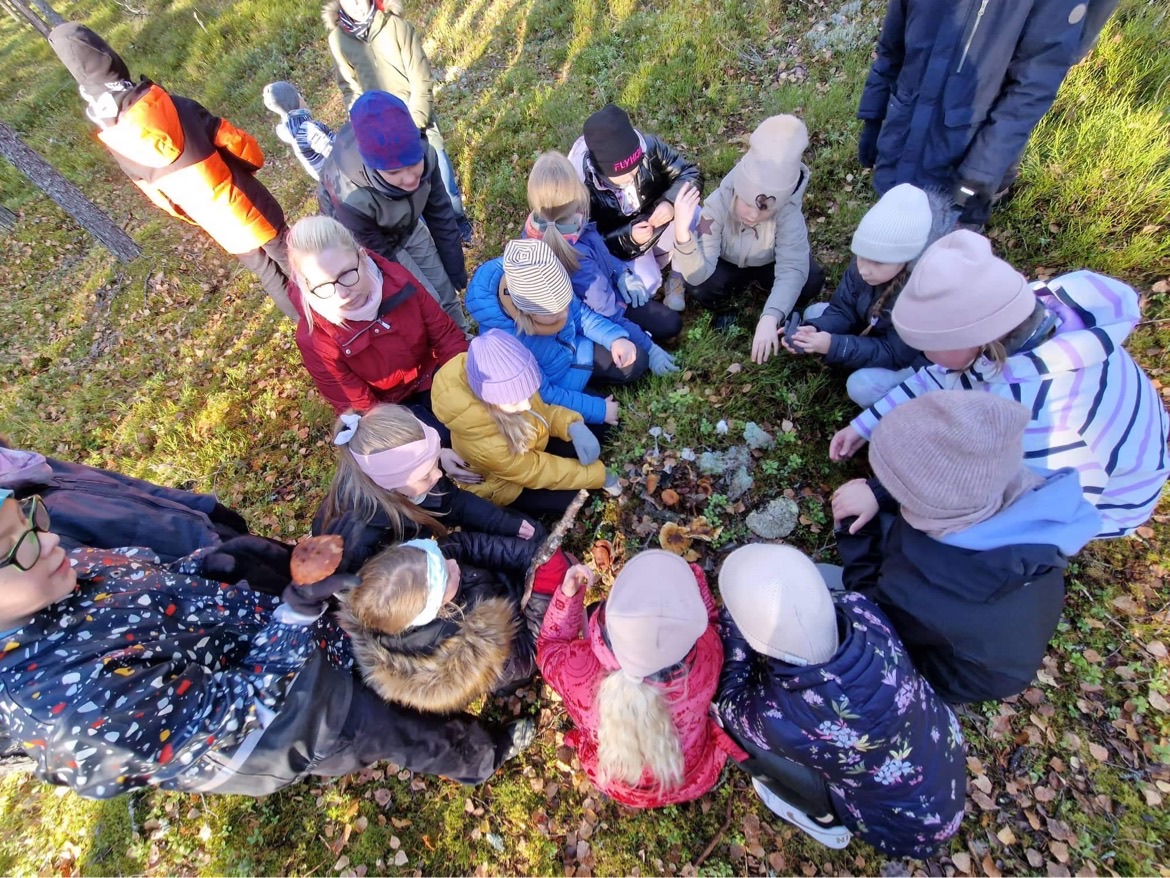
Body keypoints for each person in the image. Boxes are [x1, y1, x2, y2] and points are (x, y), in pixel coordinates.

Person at [0, 490, 536, 797]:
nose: (49, 538)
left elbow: (155, 580)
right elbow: (234, 714)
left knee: (385, 680)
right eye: (14, 545)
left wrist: (227, 567)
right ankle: (481, 756)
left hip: (284, 627)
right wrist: (295, 614)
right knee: (403, 733)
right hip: (300, 718)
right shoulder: (63, 709)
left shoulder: (59, 572)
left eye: (30, 517)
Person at [829, 230, 1170, 539]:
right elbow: (936, 375)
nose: (923, 356)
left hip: (1087, 503)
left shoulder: (1040, 418)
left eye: (926, 345)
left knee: (941, 538)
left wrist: (882, 494)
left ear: (968, 342)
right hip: (1051, 465)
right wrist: (865, 424)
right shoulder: (1009, 314)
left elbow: (1003, 494)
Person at [830, 391, 1101, 703]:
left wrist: (853, 531)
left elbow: (873, 612)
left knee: (830, 603)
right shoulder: (1013, 486)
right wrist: (877, 494)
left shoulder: (921, 591)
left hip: (952, 673)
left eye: (895, 487)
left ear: (928, 505)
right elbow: (942, 480)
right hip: (988, 627)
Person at [715, 544, 966, 856]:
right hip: (940, 758)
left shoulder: (781, 715)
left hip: (898, 825)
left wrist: (734, 625)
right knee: (828, 575)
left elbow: (731, 701)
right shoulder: (863, 610)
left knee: (732, 731)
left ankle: (823, 818)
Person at [48, 24, 296, 318]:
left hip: (215, 220)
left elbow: (161, 200)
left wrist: (197, 215)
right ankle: (334, 316)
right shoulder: (173, 107)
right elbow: (234, 142)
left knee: (268, 274)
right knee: (293, 257)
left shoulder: (117, 141)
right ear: (110, 57)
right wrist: (253, 164)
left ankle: (311, 330)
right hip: (245, 200)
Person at [537, 550, 746, 808]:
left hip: (617, 780)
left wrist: (568, 596)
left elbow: (550, 647)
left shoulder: (577, 671)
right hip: (691, 775)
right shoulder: (706, 658)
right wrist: (693, 584)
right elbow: (710, 624)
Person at [856, 0, 1089, 227]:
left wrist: (980, 173)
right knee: (883, 244)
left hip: (959, 167)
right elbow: (891, 49)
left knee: (937, 248)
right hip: (899, 145)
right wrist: (873, 116)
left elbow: (1029, 92)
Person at [337, 538, 568, 712]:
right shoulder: (476, 655)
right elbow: (532, 648)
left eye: (440, 556)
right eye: (446, 574)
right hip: (521, 637)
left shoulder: (425, 572)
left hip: (503, 587)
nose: (453, 563)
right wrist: (545, 590)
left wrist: (529, 556)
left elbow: (467, 545)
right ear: (435, 608)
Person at [286, 215, 468, 434]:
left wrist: (464, 382)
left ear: (362, 257)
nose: (342, 293)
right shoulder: (315, 339)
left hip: (433, 374)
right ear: (307, 286)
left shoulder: (397, 279)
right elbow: (362, 410)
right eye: (323, 285)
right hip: (389, 409)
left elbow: (446, 336)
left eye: (347, 273)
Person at [312, 404, 541, 572]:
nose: (439, 474)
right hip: (406, 580)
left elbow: (455, 503)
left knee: (532, 533)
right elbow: (375, 592)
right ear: (387, 484)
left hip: (420, 549)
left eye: (435, 463)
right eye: (426, 474)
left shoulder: (412, 481)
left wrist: (503, 522)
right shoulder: (358, 541)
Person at [672, 115, 824, 364]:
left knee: (810, 279)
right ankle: (722, 308)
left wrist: (770, 316)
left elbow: (792, 268)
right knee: (700, 286)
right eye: (747, 203)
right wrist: (682, 236)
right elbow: (697, 274)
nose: (753, 215)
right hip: (726, 260)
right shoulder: (718, 204)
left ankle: (782, 305)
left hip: (767, 261)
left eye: (764, 210)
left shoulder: (788, 213)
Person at [783, 183, 951, 406]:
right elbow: (843, 309)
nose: (864, 269)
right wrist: (815, 329)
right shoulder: (865, 263)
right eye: (861, 256)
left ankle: (905, 407)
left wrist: (834, 346)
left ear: (908, 260)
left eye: (878, 262)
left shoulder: (923, 292)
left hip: (911, 358)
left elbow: (895, 354)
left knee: (861, 386)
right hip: (876, 329)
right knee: (814, 314)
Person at [321, 0, 473, 242]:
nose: (357, 4)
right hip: (380, 137)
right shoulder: (338, 40)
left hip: (417, 123)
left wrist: (414, 127)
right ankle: (427, 236)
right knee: (406, 190)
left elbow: (420, 77)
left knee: (442, 179)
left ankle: (458, 222)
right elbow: (349, 88)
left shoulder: (395, 26)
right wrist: (362, 125)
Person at [318, 91, 470, 332]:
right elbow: (380, 258)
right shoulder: (350, 197)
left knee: (444, 288)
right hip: (375, 243)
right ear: (373, 167)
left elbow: (440, 214)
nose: (409, 178)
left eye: (413, 164)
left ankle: (463, 337)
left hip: (409, 225)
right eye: (394, 172)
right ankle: (446, 345)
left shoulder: (427, 155)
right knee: (428, 300)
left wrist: (455, 268)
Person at [432, 330, 618, 519]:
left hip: (530, 441)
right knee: (575, 499)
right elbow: (538, 471)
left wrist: (572, 425)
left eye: (528, 393)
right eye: (515, 401)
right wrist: (600, 475)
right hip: (507, 485)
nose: (526, 405)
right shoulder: (487, 446)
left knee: (597, 431)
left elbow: (541, 412)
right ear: (489, 400)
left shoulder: (511, 389)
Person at [464, 239, 646, 427]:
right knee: (601, 428)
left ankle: (594, 389)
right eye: (554, 315)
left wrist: (614, 338)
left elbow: (581, 315)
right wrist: (598, 409)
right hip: (557, 387)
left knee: (637, 360)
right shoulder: (505, 341)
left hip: (580, 354)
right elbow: (543, 393)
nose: (565, 315)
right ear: (525, 313)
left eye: (565, 306)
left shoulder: (547, 279)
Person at [524, 151, 682, 352]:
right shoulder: (576, 255)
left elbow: (601, 252)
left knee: (670, 323)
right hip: (592, 320)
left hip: (607, 296)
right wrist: (648, 346)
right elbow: (608, 312)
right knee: (641, 357)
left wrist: (621, 273)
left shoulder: (552, 222)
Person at [0, 443, 247, 563]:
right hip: (214, 571)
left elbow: (122, 485)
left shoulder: (18, 465)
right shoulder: (29, 530)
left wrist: (204, 506)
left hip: (206, 529)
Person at [568, 103, 700, 310]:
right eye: (622, 174)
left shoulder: (650, 148)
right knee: (646, 285)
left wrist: (670, 202)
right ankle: (655, 271)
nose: (632, 175)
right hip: (624, 248)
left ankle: (677, 276)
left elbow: (689, 174)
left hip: (660, 223)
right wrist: (628, 237)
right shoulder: (580, 189)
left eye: (636, 166)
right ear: (602, 172)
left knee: (695, 213)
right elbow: (589, 241)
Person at [261, 81, 335, 182]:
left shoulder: (291, 130)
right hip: (342, 177)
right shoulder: (308, 130)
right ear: (296, 101)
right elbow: (332, 153)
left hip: (328, 181)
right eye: (299, 95)